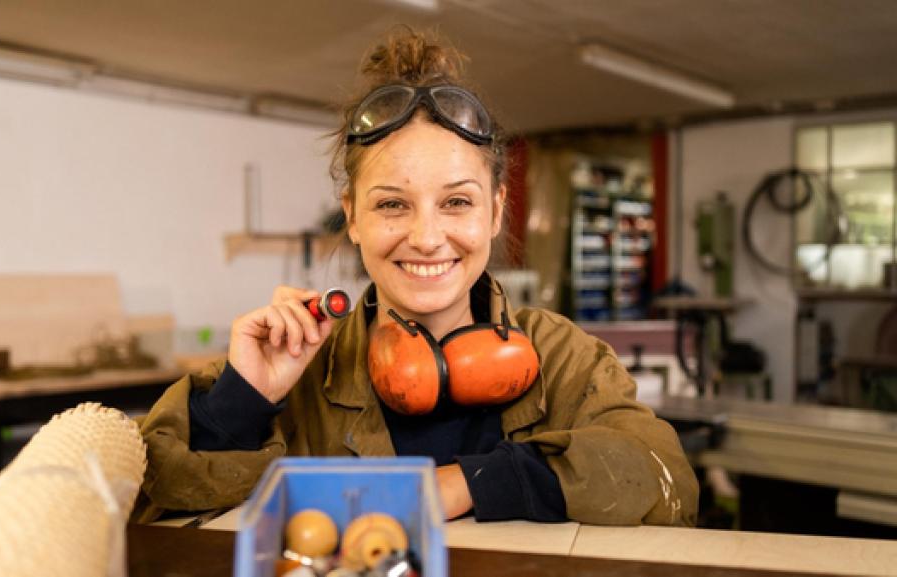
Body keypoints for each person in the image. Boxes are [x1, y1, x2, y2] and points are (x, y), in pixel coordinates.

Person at [132, 28, 698, 527]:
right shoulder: (301, 369)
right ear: (351, 216)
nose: (427, 237)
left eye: (456, 201)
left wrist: (454, 486)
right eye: (392, 205)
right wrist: (243, 401)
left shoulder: (564, 359)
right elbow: (153, 515)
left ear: (496, 210)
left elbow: (665, 481)